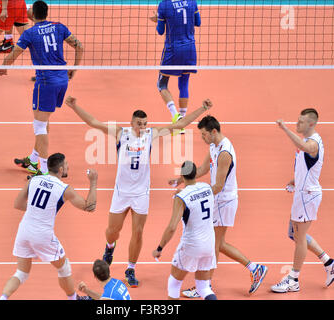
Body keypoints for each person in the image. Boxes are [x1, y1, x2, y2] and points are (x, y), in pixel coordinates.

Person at [64, 95, 212, 287]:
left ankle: (131, 269)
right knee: (112, 231)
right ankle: (110, 247)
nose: (141, 127)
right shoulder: (120, 133)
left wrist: (202, 108)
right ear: (131, 123)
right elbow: (93, 122)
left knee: (138, 233)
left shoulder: (151, 133)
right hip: (122, 192)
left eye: (144, 124)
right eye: (138, 124)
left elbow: (180, 124)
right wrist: (75, 106)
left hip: (141, 193)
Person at [170, 115, 267, 297]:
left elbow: (218, 186)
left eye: (204, 134)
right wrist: (183, 180)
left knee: (214, 244)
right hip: (218, 201)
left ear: (214, 132)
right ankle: (255, 268)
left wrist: (192, 195)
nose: (202, 138)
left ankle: (205, 287)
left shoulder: (224, 153)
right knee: (217, 243)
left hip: (225, 201)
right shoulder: (214, 146)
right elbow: (203, 169)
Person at [0, 0, 84, 178]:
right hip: (62, 79)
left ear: (33, 13)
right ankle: (32, 159)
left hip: (46, 82)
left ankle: (44, 170)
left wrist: (0, 68)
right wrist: (74, 69)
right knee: (44, 121)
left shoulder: (29, 34)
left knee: (39, 125)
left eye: (29, 9)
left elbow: (12, 56)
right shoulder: (59, 27)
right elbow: (79, 46)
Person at [0, 153, 98, 300]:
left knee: (21, 273)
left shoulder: (34, 179)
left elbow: (18, 204)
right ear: (60, 169)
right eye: (66, 165)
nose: (68, 167)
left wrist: (37, 210)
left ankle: (3, 298)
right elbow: (89, 207)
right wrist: (93, 182)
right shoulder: (64, 188)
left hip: (24, 231)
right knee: (64, 268)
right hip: (42, 234)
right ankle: (74, 299)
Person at [271, 108, 334, 293]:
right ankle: (330, 263)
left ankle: (293, 280)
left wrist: (285, 129)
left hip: (307, 195)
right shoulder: (305, 140)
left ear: (311, 123)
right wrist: (296, 179)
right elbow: (307, 164)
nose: (298, 124)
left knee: (299, 237)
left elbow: (307, 149)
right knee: (294, 234)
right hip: (302, 193)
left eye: (301, 122)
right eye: (297, 121)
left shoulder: (313, 143)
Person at [153, 161, 217, 300]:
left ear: (182, 175)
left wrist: (159, 248)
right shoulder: (207, 188)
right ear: (196, 173)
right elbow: (196, 195)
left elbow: (171, 228)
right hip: (209, 244)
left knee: (174, 284)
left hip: (191, 245)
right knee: (203, 287)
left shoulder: (181, 197)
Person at [150, 0, 201, 134]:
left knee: (161, 84)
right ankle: (181, 123)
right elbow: (198, 22)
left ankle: (175, 116)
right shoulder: (192, 2)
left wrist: (158, 19)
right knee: (184, 84)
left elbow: (160, 31)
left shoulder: (164, 5)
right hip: (190, 48)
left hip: (172, 50)